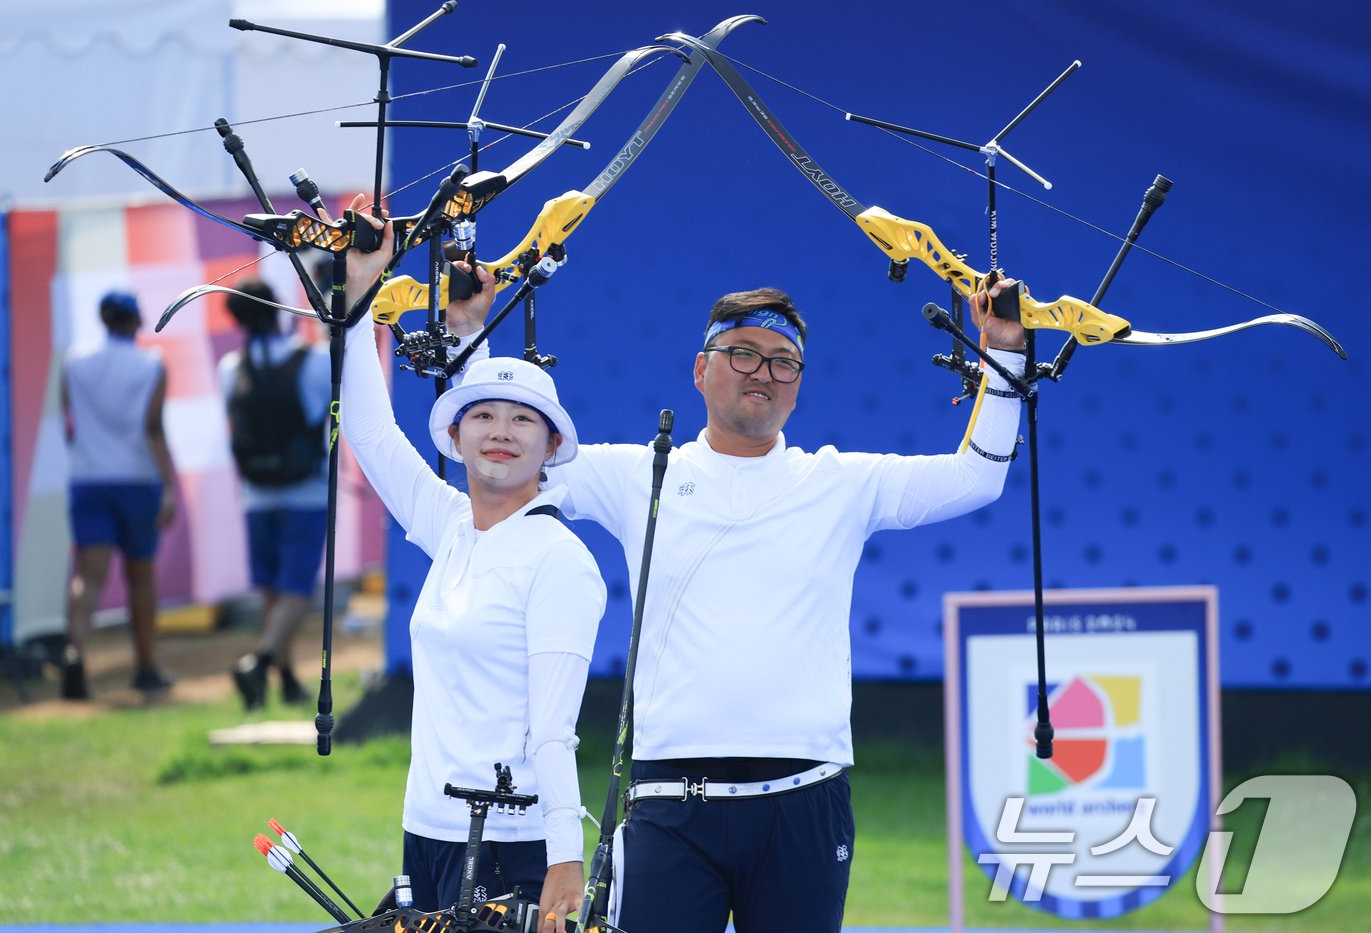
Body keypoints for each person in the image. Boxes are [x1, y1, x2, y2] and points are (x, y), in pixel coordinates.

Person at [438, 260, 1027, 930]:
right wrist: (466, 334)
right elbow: (499, 442)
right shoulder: (642, 472)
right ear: (700, 368)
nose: (763, 372)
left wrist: (1004, 350)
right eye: (743, 352)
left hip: (804, 803)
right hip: (669, 808)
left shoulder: (840, 483)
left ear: (799, 386)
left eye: (784, 362)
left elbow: (978, 479)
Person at [341, 207, 606, 932]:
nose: (500, 432)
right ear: (456, 436)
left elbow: (555, 731)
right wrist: (359, 293)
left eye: (523, 420)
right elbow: (366, 428)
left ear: (551, 446)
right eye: (482, 415)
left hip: (513, 847)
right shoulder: (451, 526)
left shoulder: (560, 561)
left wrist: (564, 856)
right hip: (426, 831)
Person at [218, 280, 332, 709]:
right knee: (296, 587)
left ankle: (282, 680)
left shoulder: (231, 368)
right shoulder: (313, 360)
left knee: (271, 590)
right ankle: (261, 662)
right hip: (306, 491)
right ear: (279, 309)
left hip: (255, 493)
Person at [61, 289, 178, 699]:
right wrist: (169, 486)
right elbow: (153, 429)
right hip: (137, 480)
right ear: (134, 320)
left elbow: (68, 420)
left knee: (87, 576)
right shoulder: (152, 365)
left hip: (88, 478)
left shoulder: (74, 360)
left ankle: (74, 654)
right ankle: (146, 667)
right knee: (140, 575)